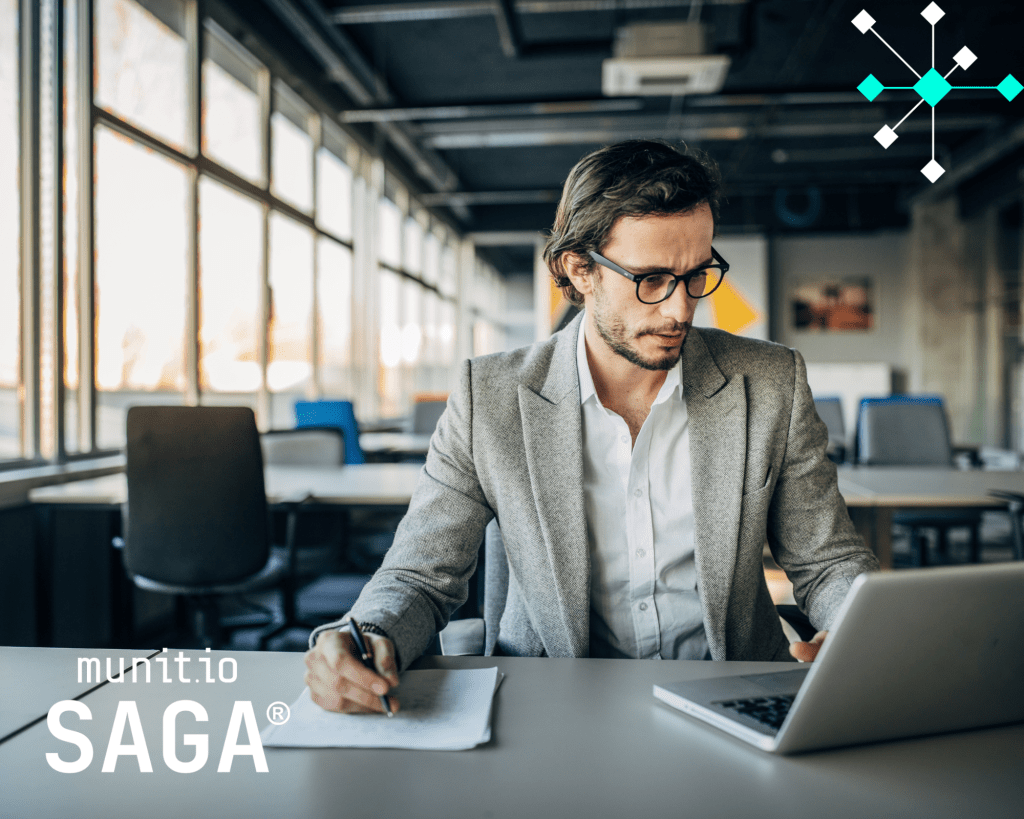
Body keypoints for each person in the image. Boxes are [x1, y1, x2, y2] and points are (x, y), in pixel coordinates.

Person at [304, 139, 879, 715]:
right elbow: (421, 574)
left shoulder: (771, 381)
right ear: (579, 270)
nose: (680, 309)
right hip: (553, 705)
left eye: (697, 275)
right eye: (652, 279)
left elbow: (826, 561)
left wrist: (861, 628)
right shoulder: (492, 398)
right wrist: (365, 635)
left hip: (733, 694)